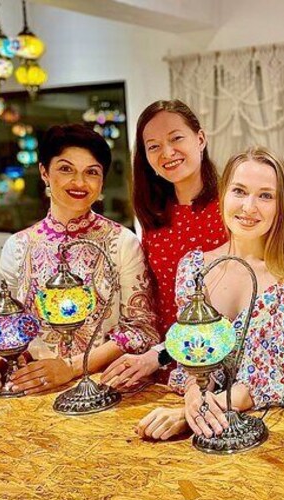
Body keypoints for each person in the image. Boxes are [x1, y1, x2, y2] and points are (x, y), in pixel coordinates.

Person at [135, 147, 284, 440]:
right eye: (239, 191)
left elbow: (263, 382)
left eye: (265, 195)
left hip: (271, 435)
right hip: (201, 432)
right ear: (223, 194)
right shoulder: (193, 268)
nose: (249, 207)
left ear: (283, 206)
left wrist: (191, 415)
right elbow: (193, 355)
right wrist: (193, 398)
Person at [0, 124, 159, 396]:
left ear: (102, 180)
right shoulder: (17, 246)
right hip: (34, 388)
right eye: (66, 169)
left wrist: (72, 367)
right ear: (44, 172)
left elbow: (140, 330)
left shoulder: (122, 242)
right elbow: (5, 324)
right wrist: (1, 358)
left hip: (103, 389)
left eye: (92, 172)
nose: (79, 182)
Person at [100, 100, 227, 389]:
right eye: (153, 146)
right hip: (160, 361)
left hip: (213, 362)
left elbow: (235, 301)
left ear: (200, 139)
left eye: (176, 138)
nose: (167, 153)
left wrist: (161, 355)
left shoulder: (230, 207)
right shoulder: (155, 215)